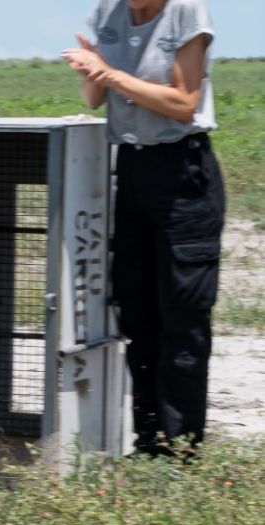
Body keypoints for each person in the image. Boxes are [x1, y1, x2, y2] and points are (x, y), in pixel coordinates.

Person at [62, 0, 224, 457]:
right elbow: (95, 100)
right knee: (137, 313)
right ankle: (149, 441)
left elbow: (183, 103)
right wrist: (90, 71)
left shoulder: (186, 13)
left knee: (183, 319)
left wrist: (110, 73)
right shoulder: (109, 13)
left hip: (183, 175)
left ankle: (182, 447)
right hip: (131, 171)